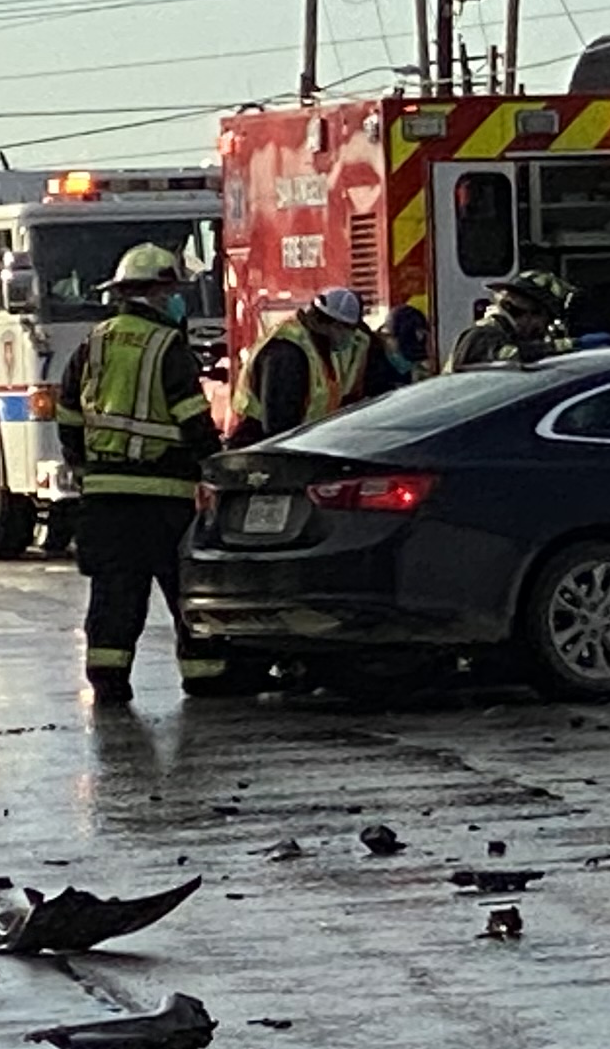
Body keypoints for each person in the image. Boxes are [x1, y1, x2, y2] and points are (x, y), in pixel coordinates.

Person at [55, 243, 230, 707]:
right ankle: (204, 675)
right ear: (156, 292)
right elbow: (191, 415)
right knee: (185, 588)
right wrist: (213, 466)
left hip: (106, 496)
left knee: (115, 593)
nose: (177, 299)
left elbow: (68, 411)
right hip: (167, 495)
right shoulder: (167, 344)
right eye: (172, 290)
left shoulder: (95, 341)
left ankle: (109, 682)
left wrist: (81, 463)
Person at [227, 286, 401, 447]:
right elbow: (278, 425)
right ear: (327, 323)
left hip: (302, 443)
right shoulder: (287, 353)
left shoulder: (324, 346)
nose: (349, 337)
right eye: (345, 329)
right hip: (260, 445)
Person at [451, 269, 576, 369]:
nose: (543, 328)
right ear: (534, 314)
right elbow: (514, 356)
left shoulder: (507, 335)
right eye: (546, 318)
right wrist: (562, 347)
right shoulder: (482, 335)